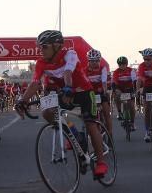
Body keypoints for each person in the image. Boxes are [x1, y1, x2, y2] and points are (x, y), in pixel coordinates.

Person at [15, 30, 108, 178]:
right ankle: (74, 135)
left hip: (83, 91)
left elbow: (68, 73)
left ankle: (101, 163)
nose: (41, 50)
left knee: (90, 124)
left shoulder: (69, 54)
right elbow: (35, 83)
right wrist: (23, 101)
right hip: (64, 92)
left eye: (44, 46)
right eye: (39, 47)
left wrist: (68, 88)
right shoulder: (41, 63)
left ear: (57, 46)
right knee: (47, 112)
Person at [84, 49, 112, 137]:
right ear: (88, 61)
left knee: (107, 113)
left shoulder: (102, 69)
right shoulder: (84, 71)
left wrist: (104, 91)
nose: (95, 63)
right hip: (90, 94)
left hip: (100, 92)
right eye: (92, 61)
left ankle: (110, 135)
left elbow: (104, 81)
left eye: (97, 61)